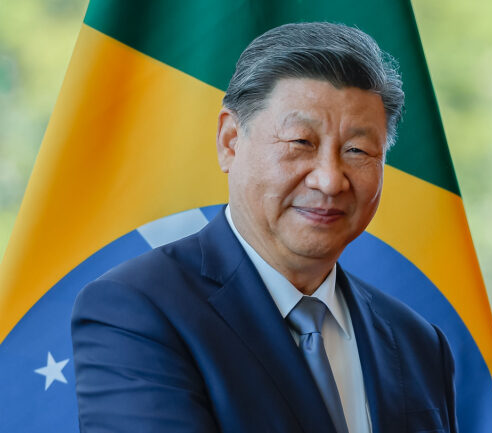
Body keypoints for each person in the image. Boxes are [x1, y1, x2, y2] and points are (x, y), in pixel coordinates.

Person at [71, 22, 456, 433]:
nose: (329, 180)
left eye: (357, 151)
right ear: (230, 140)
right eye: (300, 143)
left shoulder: (417, 342)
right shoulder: (138, 311)